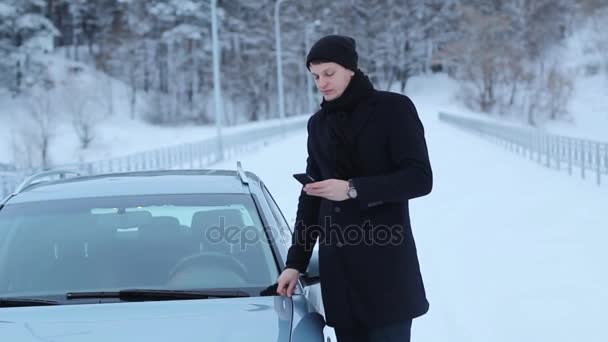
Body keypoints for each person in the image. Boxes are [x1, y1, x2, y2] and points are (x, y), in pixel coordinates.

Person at [276, 35, 433, 342]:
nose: (322, 83)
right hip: (341, 278)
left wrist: (352, 189)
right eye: (316, 76)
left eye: (329, 73)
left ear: (350, 68)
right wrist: (295, 263)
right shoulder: (318, 124)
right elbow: (311, 199)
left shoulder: (394, 109)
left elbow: (419, 178)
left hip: (387, 273)